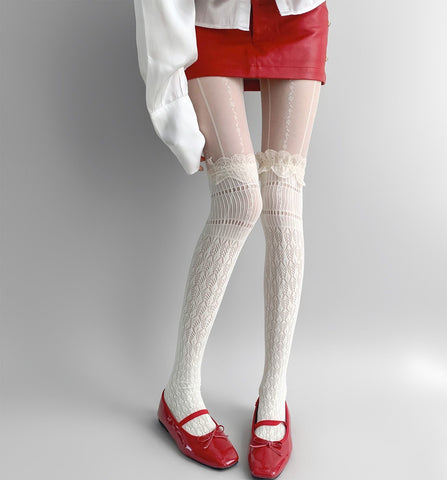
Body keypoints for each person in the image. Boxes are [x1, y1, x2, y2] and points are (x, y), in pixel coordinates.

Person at [133, 1, 330, 478]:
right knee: (239, 200)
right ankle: (180, 391)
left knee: (283, 200)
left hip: (296, 16)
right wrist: (170, 107)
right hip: (210, 20)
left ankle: (275, 393)